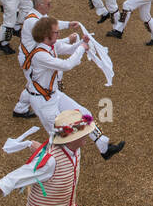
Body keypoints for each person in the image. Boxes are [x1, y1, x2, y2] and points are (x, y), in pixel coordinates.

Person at [18, 16, 124, 159]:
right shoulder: (40, 55)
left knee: (84, 113)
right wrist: (81, 48)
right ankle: (61, 167)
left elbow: (70, 49)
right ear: (46, 35)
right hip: (42, 101)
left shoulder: (51, 46)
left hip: (53, 94)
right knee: (61, 135)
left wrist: (83, 42)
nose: (59, 34)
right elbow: (66, 65)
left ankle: (104, 146)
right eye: (56, 32)